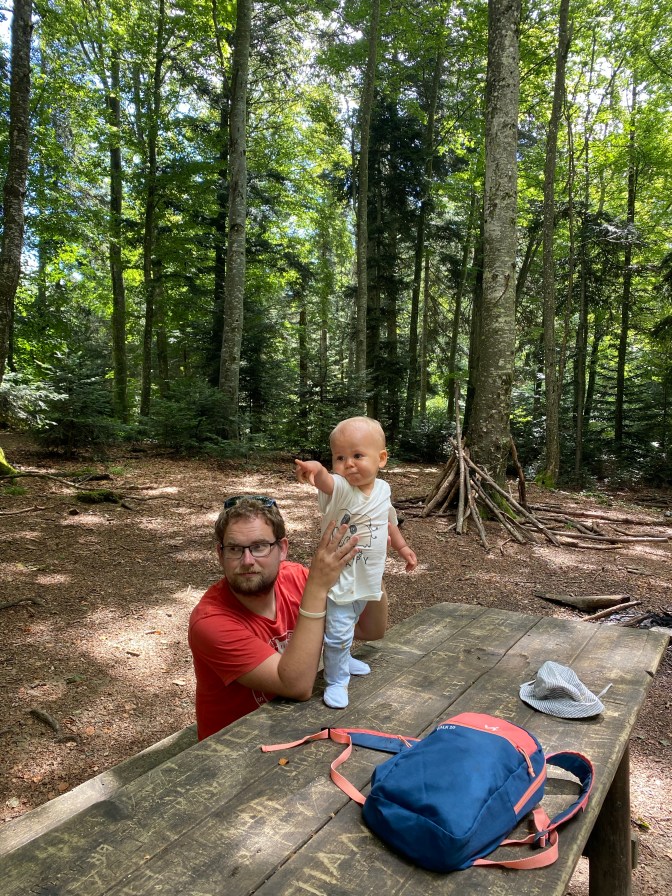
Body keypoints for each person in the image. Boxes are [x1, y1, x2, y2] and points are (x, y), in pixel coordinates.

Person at [188, 495, 388, 740]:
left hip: (294, 728)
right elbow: (297, 686)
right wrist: (317, 587)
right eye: (234, 549)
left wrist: (370, 567)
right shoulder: (210, 622)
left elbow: (370, 629)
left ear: (282, 549)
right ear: (220, 554)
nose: (247, 561)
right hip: (233, 748)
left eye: (259, 546)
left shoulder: (295, 579)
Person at [295, 416, 417, 709]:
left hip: (367, 578)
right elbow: (326, 481)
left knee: (348, 625)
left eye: (357, 455)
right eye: (340, 457)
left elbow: (388, 522)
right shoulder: (341, 487)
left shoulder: (383, 489)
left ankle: (343, 658)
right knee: (337, 632)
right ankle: (336, 680)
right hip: (339, 579)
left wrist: (402, 547)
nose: (348, 464)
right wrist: (317, 469)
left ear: (381, 458)